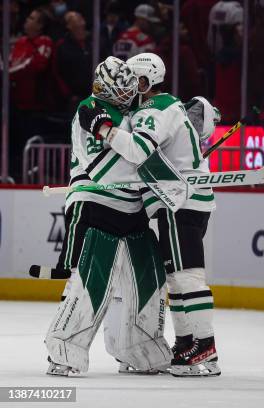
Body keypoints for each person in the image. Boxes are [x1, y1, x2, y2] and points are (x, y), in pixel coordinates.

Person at [78, 53, 221, 377]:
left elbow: (138, 150)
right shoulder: (166, 106)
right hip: (180, 201)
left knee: (187, 276)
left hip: (178, 201)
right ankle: (188, 343)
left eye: (132, 81)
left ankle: (205, 347)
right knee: (177, 277)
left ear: (144, 82)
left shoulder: (153, 109)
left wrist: (104, 129)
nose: (128, 88)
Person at [45, 56, 172, 376]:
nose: (130, 96)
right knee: (92, 280)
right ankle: (64, 347)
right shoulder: (90, 110)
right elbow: (107, 168)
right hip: (97, 202)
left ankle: (140, 346)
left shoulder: (132, 114)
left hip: (131, 207)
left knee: (148, 276)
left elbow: (145, 149)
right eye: (123, 91)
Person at [7, 7, 53, 179]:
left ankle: (26, 177)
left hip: (34, 106)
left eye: (32, 18)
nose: (27, 21)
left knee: (27, 145)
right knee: (13, 145)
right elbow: (11, 64)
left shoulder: (44, 42)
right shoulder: (20, 42)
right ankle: (12, 176)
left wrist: (9, 74)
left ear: (40, 26)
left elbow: (36, 65)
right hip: (14, 103)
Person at [53, 11, 92, 111]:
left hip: (95, 96)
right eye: (76, 18)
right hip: (74, 99)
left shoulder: (93, 41)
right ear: (68, 25)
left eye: (81, 17)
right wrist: (69, 95)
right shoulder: (62, 46)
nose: (81, 20)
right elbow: (57, 72)